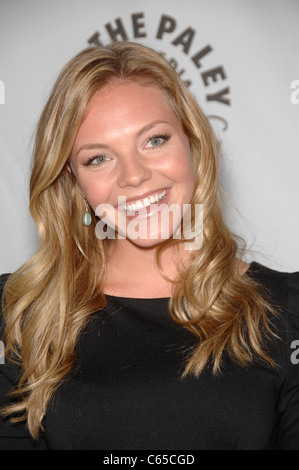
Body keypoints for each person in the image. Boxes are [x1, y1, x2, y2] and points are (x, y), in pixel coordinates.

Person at [0, 41, 298, 451]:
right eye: (98, 158)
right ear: (73, 180)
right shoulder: (19, 313)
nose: (134, 176)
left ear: (192, 141)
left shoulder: (287, 309)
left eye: (154, 141)